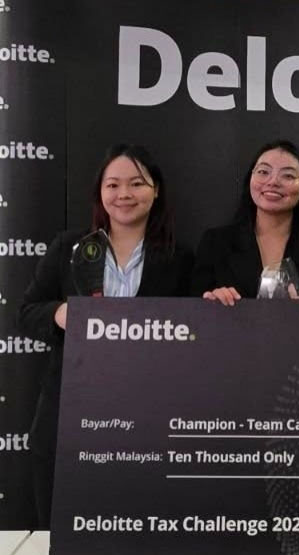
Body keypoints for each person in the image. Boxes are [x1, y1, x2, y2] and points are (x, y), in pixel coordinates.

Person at [16, 144, 194, 528]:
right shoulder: (69, 248)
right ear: (100, 192)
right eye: (112, 184)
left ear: (156, 190)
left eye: (136, 184)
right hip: (70, 412)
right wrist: (61, 314)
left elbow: (194, 338)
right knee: (66, 528)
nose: (124, 194)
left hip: (147, 418)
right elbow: (26, 313)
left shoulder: (181, 259)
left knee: (136, 526)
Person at [191, 140, 299, 303]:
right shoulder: (215, 243)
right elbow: (189, 310)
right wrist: (211, 300)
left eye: (288, 175)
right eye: (263, 172)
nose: (273, 182)